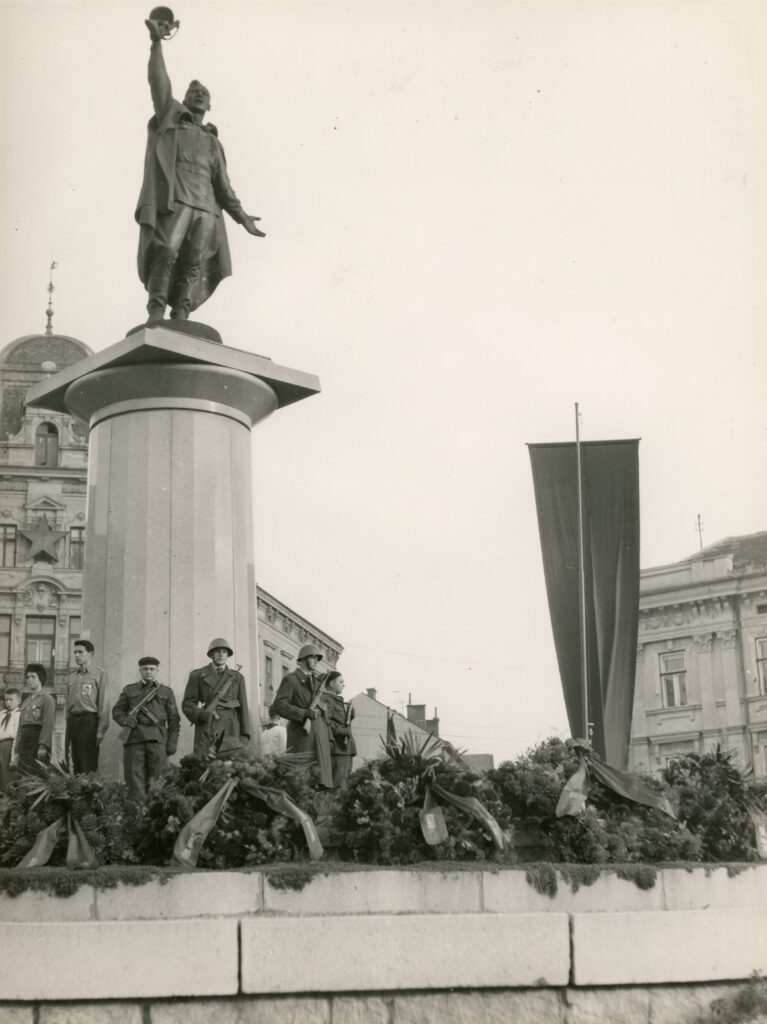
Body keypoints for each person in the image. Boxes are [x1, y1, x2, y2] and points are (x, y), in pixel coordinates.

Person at [136, 20, 265, 324]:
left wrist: (241, 216)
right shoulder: (171, 119)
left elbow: (223, 184)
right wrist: (157, 44)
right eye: (193, 91)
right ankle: (156, 309)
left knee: (194, 261)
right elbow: (159, 83)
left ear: (210, 104)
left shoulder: (213, 141)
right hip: (175, 199)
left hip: (207, 207)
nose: (197, 94)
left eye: (203, 93)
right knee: (166, 249)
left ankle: (182, 311)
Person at [112, 656, 180, 801]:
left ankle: (153, 817)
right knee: (134, 781)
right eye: (145, 669)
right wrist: (126, 721)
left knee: (157, 781)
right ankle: (137, 816)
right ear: (140, 670)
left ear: (157, 671)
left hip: (158, 739)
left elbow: (174, 719)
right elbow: (117, 711)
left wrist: (172, 742)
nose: (148, 672)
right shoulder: (129, 690)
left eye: (152, 669)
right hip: (135, 739)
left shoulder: (166, 692)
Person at [182, 638, 250, 757]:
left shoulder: (237, 677)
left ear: (227, 655)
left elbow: (243, 708)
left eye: (224, 652)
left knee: (230, 767)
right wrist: (201, 714)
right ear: (211, 654)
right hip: (208, 725)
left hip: (231, 728)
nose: (221, 655)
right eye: (217, 651)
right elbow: (188, 704)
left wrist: (245, 733)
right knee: (205, 765)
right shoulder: (198, 675)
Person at [272, 644, 326, 754]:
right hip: (299, 736)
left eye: (317, 659)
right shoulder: (291, 680)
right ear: (303, 659)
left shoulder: (318, 683)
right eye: (313, 658)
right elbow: (279, 705)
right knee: (300, 770)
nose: (316, 661)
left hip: (317, 736)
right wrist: (304, 713)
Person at [66, 640, 110, 774]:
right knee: (74, 760)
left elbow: (104, 703)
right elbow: (68, 703)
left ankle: (88, 794)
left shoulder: (99, 674)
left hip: (89, 721)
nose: (77, 655)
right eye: (75, 652)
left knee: (88, 762)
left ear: (90, 654)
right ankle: (76, 793)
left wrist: (101, 730)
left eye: (80, 652)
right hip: (73, 721)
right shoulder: (72, 676)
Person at [12, 665, 55, 777]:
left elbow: (48, 724)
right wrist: (17, 748)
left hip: (37, 741)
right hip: (24, 743)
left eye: (33, 677)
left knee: (36, 775)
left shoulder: (47, 699)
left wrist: (43, 746)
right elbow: (20, 727)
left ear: (40, 678)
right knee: (23, 775)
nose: (29, 680)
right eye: (27, 677)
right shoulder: (26, 701)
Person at [321, 670, 356, 788]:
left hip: (345, 749)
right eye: (340, 682)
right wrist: (341, 731)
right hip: (338, 748)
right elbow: (325, 722)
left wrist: (349, 717)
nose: (343, 684)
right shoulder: (326, 699)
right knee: (339, 787)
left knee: (344, 785)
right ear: (331, 684)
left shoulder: (336, 700)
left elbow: (340, 721)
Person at [0, 687, 21, 791]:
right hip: (1, 745)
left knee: (9, 777)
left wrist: (14, 757)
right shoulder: (2, 714)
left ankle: (10, 803)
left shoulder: (18, 715)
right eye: (6, 699)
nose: (8, 702)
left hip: (9, 746)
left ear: (18, 701)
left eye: (11, 699)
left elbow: (17, 736)